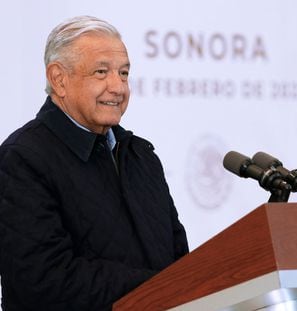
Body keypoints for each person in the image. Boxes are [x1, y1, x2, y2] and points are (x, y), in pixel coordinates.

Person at [0, 16, 188, 310]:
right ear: (59, 79)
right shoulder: (23, 159)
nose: (118, 87)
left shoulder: (141, 156)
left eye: (124, 74)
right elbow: (43, 280)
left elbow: (179, 260)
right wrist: (157, 287)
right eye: (102, 72)